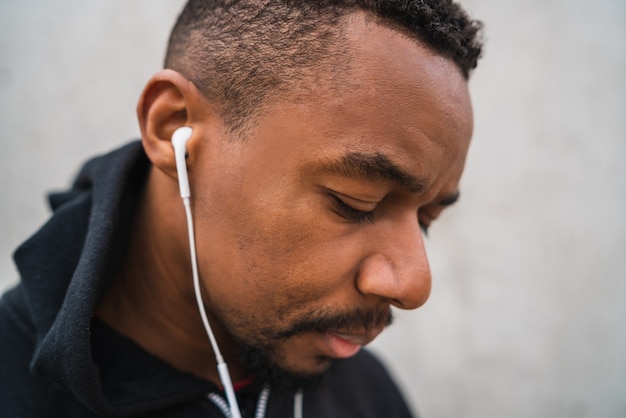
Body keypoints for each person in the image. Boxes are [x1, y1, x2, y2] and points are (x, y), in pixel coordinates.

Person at [0, 1, 483, 417]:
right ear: (173, 129)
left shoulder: (366, 394)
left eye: (425, 219)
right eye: (354, 203)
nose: (413, 285)